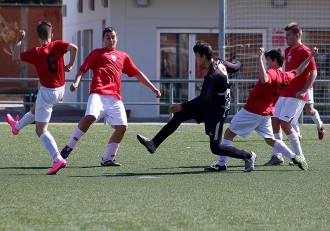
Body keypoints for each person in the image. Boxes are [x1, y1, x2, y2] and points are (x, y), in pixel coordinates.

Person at [137, 40, 259, 171]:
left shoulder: (213, 75)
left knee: (216, 148)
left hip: (218, 112)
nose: (195, 58)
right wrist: (238, 62)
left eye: (196, 55)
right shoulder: (220, 62)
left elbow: (202, 100)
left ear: (203, 57)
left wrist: (182, 106)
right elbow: (235, 67)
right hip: (209, 106)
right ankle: (153, 143)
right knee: (179, 117)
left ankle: (248, 155)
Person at [60, 27, 161, 166]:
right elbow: (83, 69)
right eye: (108, 37)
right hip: (98, 94)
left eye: (113, 37)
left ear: (117, 38)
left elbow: (137, 73)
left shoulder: (123, 56)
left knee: (123, 127)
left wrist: (153, 88)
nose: (111, 39)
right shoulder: (97, 53)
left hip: (115, 98)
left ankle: (108, 158)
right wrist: (76, 82)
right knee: (90, 117)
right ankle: (68, 148)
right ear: (103, 39)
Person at [205, 47, 317, 172]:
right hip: (266, 113)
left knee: (228, 134)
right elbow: (299, 70)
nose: (267, 63)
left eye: (267, 60)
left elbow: (265, 79)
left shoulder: (272, 72)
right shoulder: (286, 76)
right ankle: (295, 157)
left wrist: (259, 58)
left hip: (252, 111)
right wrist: (311, 56)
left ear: (274, 61)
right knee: (270, 140)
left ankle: (221, 164)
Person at [7, 21, 78, 175]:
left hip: (48, 92)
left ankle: (57, 158)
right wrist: (70, 65)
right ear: (51, 35)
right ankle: (17, 126)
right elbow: (74, 48)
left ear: (37, 36)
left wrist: (19, 39)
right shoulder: (58, 45)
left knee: (40, 130)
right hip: (60, 90)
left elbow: (14, 57)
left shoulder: (36, 52)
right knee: (34, 109)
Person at [265, 22, 318, 166]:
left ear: (298, 35)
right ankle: (277, 156)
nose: (285, 38)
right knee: (274, 121)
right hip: (284, 93)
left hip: (296, 95)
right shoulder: (288, 50)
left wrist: (303, 90)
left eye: (288, 35)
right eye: (285, 35)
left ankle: (300, 157)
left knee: (285, 124)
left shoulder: (305, 51)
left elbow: (314, 72)